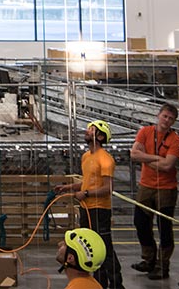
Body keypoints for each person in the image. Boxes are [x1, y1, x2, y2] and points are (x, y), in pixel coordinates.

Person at [57, 121, 122, 289]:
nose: (87, 131)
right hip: (86, 208)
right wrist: (69, 187)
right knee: (92, 247)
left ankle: (116, 284)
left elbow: (108, 188)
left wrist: (85, 194)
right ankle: (99, 283)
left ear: (100, 136)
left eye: (92, 130)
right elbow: (88, 183)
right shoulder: (86, 157)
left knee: (105, 247)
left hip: (99, 210)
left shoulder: (106, 160)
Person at [130, 103, 179, 280]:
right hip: (146, 185)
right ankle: (149, 258)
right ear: (158, 115)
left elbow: (168, 166)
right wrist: (155, 158)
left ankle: (163, 265)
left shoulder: (175, 140)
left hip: (166, 189)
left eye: (170, 119)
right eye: (165, 116)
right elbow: (134, 154)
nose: (166, 120)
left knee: (164, 228)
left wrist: (145, 159)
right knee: (141, 223)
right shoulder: (145, 131)